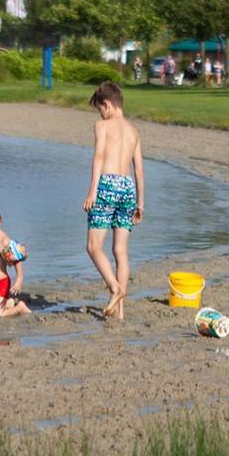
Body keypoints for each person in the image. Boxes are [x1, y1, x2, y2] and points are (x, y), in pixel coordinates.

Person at [83, 81, 145, 320]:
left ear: (107, 105)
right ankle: (120, 311)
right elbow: (138, 170)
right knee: (121, 251)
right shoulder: (133, 130)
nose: (100, 114)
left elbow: (98, 157)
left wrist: (92, 192)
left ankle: (115, 288)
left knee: (93, 247)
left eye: (100, 109)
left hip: (107, 185)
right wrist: (141, 204)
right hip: (128, 188)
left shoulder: (102, 126)